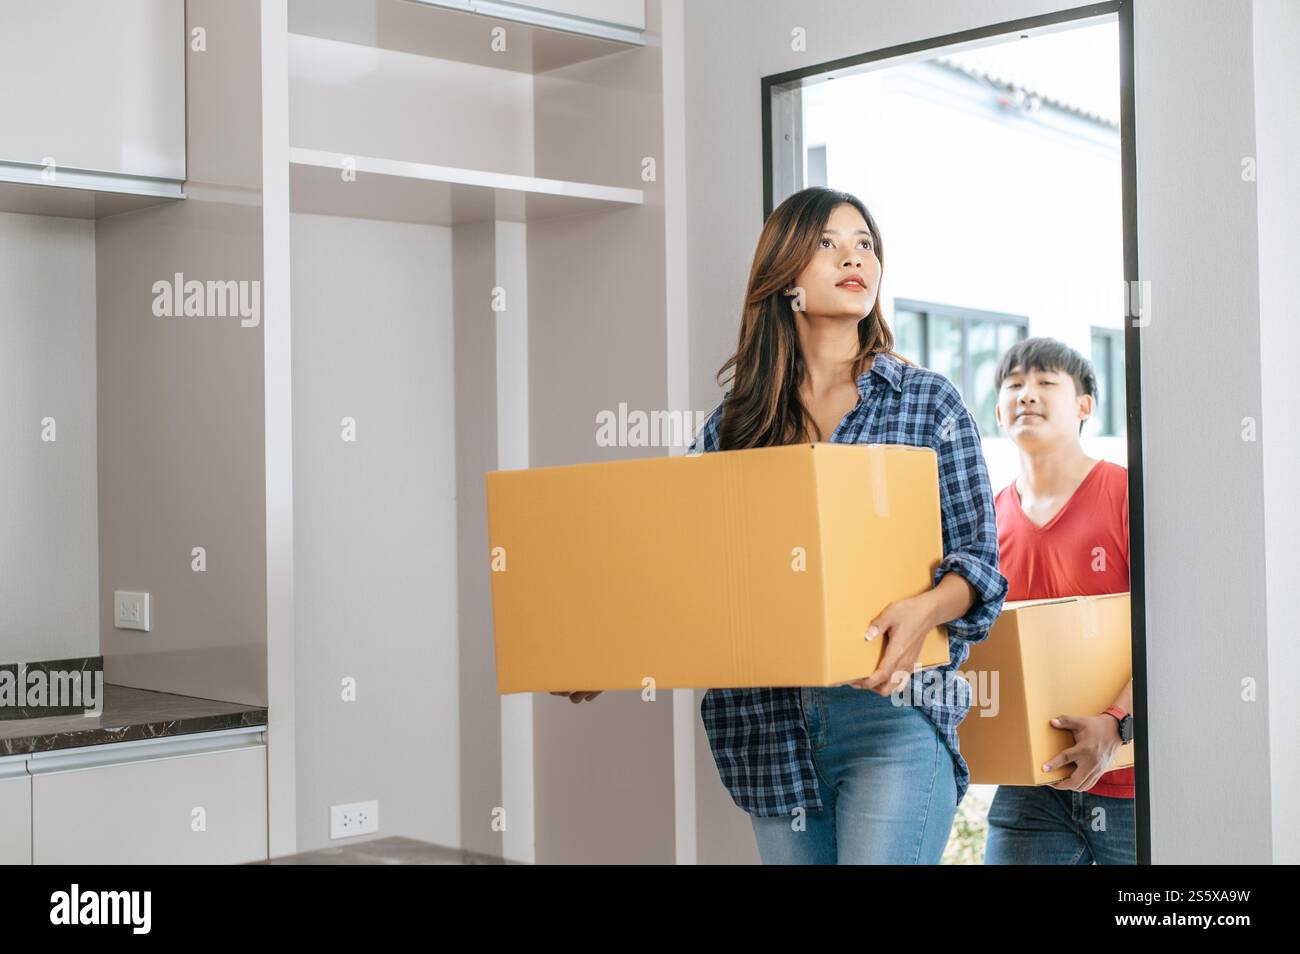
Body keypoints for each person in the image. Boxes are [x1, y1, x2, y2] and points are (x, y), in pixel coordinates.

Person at [569, 186, 1005, 864]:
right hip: (769, 731)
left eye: (865, 243)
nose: (853, 256)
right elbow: (681, 557)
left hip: (892, 720)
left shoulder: (925, 402)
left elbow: (979, 562)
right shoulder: (739, 423)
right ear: (784, 274)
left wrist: (924, 610)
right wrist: (611, 651)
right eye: (828, 243)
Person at [983, 336, 1135, 865]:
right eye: (1014, 384)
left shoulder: (1127, 495)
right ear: (999, 410)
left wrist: (1118, 722)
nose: (1027, 394)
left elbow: (1172, 628)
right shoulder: (988, 521)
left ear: (1085, 406)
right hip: (1031, 786)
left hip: (1134, 786)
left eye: (1046, 382)